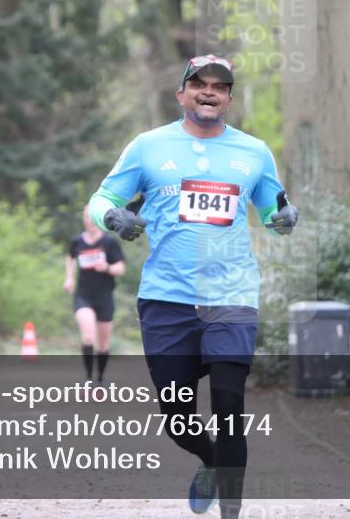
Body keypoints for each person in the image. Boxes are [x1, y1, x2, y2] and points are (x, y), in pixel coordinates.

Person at [88, 55, 298, 519]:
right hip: (167, 300)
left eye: (219, 86)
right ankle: (208, 458)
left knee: (229, 405)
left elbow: (273, 211)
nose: (209, 91)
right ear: (181, 94)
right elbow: (101, 198)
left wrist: (285, 218)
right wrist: (112, 216)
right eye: (198, 83)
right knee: (178, 419)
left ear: (228, 98)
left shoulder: (253, 152)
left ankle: (230, 512)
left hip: (232, 297)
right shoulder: (147, 147)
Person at [63, 205, 126, 385]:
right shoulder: (77, 242)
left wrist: (106, 267)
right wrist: (69, 279)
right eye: (86, 217)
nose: (89, 221)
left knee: (104, 344)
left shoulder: (109, 243)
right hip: (83, 296)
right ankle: (89, 378)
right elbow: (70, 258)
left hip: (104, 297)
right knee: (88, 336)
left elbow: (121, 268)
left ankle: (100, 378)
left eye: (93, 218)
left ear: (99, 220)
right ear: (83, 219)